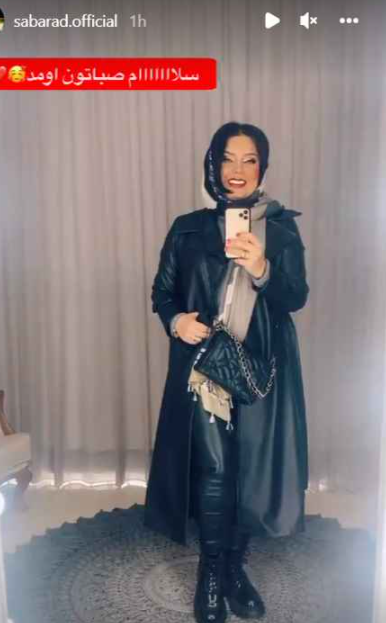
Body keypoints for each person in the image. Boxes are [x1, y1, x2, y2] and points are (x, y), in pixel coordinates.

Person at [144, 121, 309, 622]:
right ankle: (211, 575)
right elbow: (162, 294)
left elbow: (295, 297)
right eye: (228, 159)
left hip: (261, 367)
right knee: (215, 469)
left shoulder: (280, 229)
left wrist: (262, 269)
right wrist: (176, 321)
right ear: (212, 165)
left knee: (247, 469)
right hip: (205, 367)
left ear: (263, 167)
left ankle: (236, 569)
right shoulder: (187, 228)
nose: (238, 170)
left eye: (249, 159)